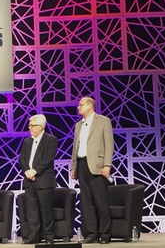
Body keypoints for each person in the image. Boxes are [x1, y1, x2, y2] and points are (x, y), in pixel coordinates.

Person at [70, 97, 114, 244]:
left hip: (97, 165)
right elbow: (75, 147)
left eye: (81, 105)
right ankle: (92, 233)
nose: (78, 107)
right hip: (82, 164)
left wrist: (107, 165)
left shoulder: (103, 121)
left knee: (101, 201)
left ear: (89, 106)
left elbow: (109, 144)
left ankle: (105, 234)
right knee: (86, 201)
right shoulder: (78, 125)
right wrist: (73, 166)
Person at [18, 114, 58, 245]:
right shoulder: (27, 141)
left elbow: (48, 159)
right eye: (29, 125)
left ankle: (49, 236)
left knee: (46, 210)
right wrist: (28, 172)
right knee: (32, 211)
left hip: (44, 181)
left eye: (32, 125)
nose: (29, 128)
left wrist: (34, 171)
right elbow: (22, 159)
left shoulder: (51, 139)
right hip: (29, 181)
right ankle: (33, 236)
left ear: (40, 127)